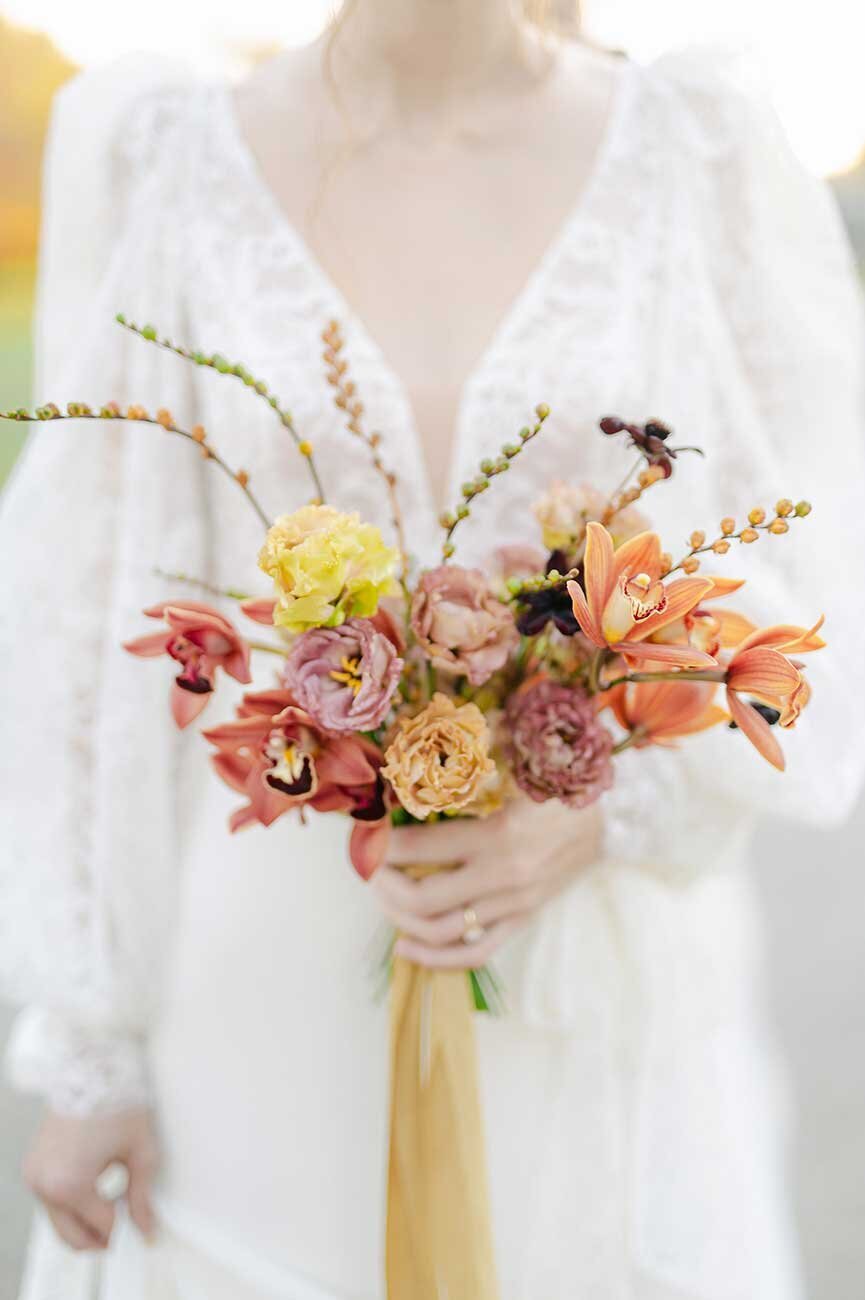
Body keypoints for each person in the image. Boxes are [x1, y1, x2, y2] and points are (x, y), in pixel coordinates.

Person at [3, 2, 865, 1297]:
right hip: (256, 979)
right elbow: (85, 609)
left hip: (597, 973)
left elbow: (815, 567)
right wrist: (90, 1038)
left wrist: (610, 807)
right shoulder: (157, 145)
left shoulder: (697, 141)